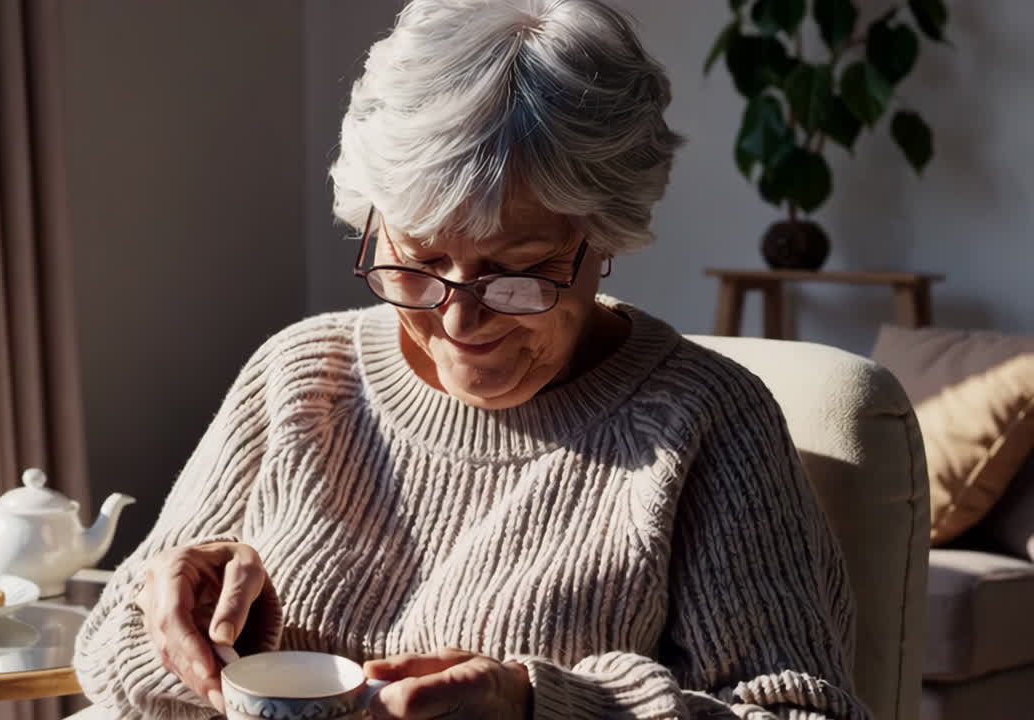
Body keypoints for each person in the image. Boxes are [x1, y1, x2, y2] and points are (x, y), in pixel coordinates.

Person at [74, 1, 869, 718]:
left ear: (606, 242)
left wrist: (535, 705)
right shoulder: (302, 376)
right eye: (416, 262)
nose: (458, 317)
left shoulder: (703, 422)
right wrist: (170, 606)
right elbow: (108, 667)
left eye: (516, 270)